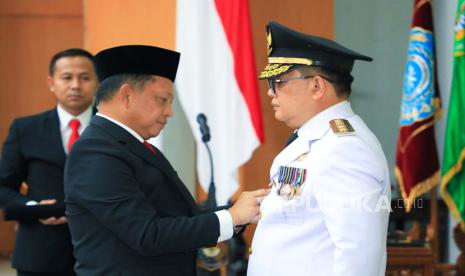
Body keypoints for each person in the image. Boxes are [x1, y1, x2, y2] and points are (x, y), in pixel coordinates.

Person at [63, 45, 268, 276]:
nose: (169, 112)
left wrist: (241, 211)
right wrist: (232, 217)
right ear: (127, 95)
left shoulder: (135, 146)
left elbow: (180, 217)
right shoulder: (95, 152)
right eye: (162, 100)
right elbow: (147, 235)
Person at [247, 22, 391, 276]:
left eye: (277, 81)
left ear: (316, 86)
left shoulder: (345, 148)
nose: (270, 92)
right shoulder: (313, 140)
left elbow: (358, 257)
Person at [0, 48, 98, 276]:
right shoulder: (25, 129)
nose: (75, 85)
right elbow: (4, 187)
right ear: (51, 82)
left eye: (84, 77)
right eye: (67, 77)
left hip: (102, 253)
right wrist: (35, 209)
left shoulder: (114, 128)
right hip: (39, 254)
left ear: (97, 82)